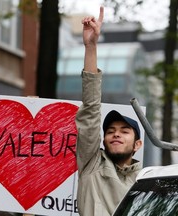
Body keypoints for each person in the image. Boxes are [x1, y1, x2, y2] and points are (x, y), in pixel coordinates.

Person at [75, 6, 143, 216]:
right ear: (102, 140)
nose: (116, 133)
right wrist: (91, 47)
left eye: (125, 131)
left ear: (138, 144)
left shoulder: (147, 182)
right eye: (111, 130)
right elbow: (91, 109)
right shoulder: (91, 165)